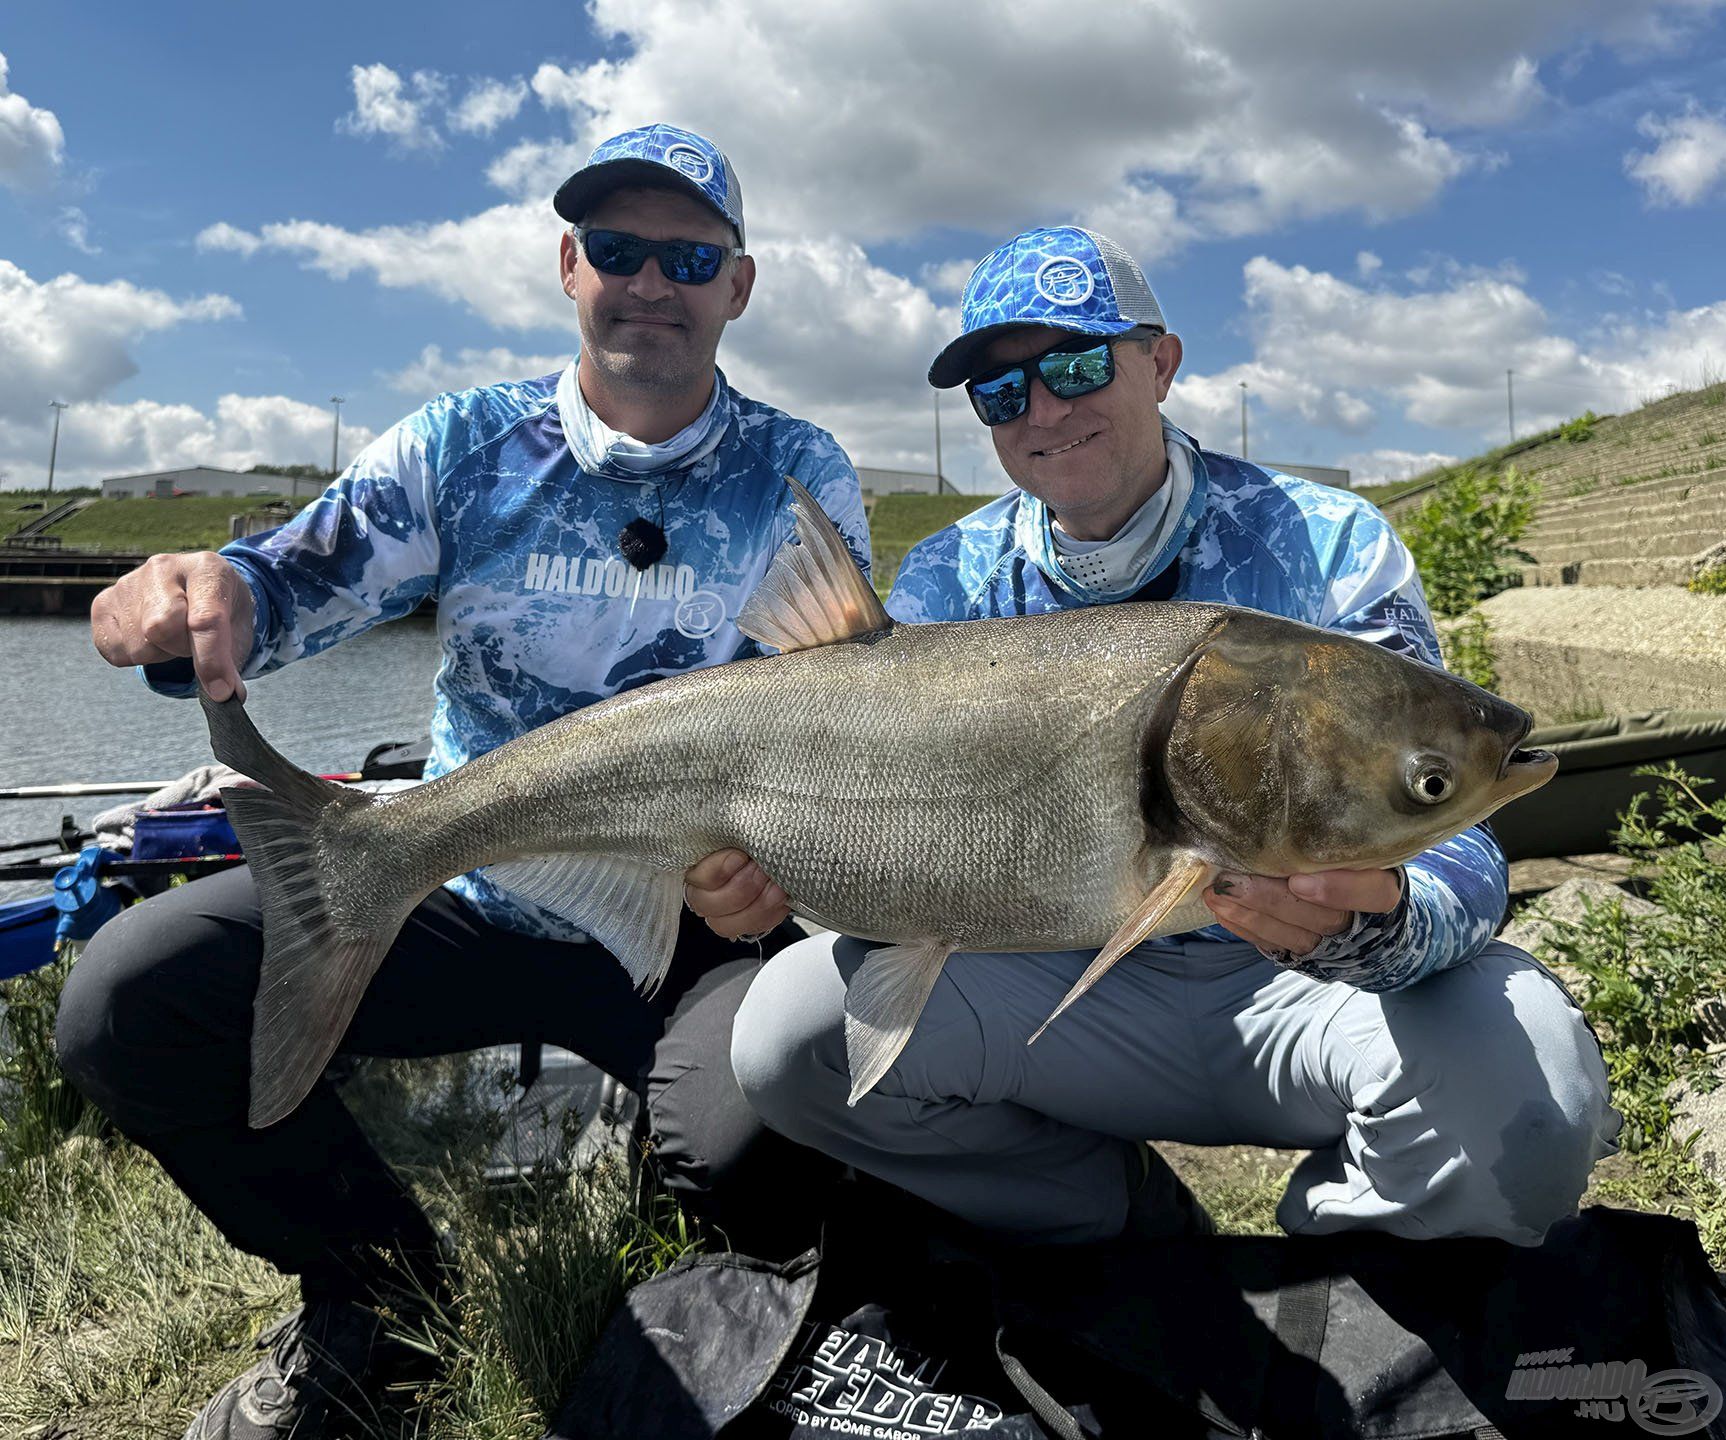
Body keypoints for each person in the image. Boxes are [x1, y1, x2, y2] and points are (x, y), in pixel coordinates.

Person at [58, 122, 868, 1440]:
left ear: (739, 284)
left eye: (688, 255)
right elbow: (283, 582)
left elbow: (833, 722)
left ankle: (715, 1265)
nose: (651, 282)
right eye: (618, 250)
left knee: (769, 1142)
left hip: (693, 921)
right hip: (458, 890)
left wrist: (777, 858)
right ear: (569, 266)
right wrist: (175, 598)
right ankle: (377, 1307)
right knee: (125, 1005)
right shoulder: (467, 444)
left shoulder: (802, 472)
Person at [690, 225, 1621, 1249]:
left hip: (1298, 995)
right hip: (1063, 983)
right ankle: (1105, 1217)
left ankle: (1349, 1271)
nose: (1043, 409)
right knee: (787, 1036)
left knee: (1536, 1084)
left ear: (1162, 362)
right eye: (1002, 394)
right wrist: (775, 878)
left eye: (1077, 364)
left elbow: (1462, 847)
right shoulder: (949, 580)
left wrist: (1381, 919)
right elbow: (899, 849)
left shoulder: (1327, 540)